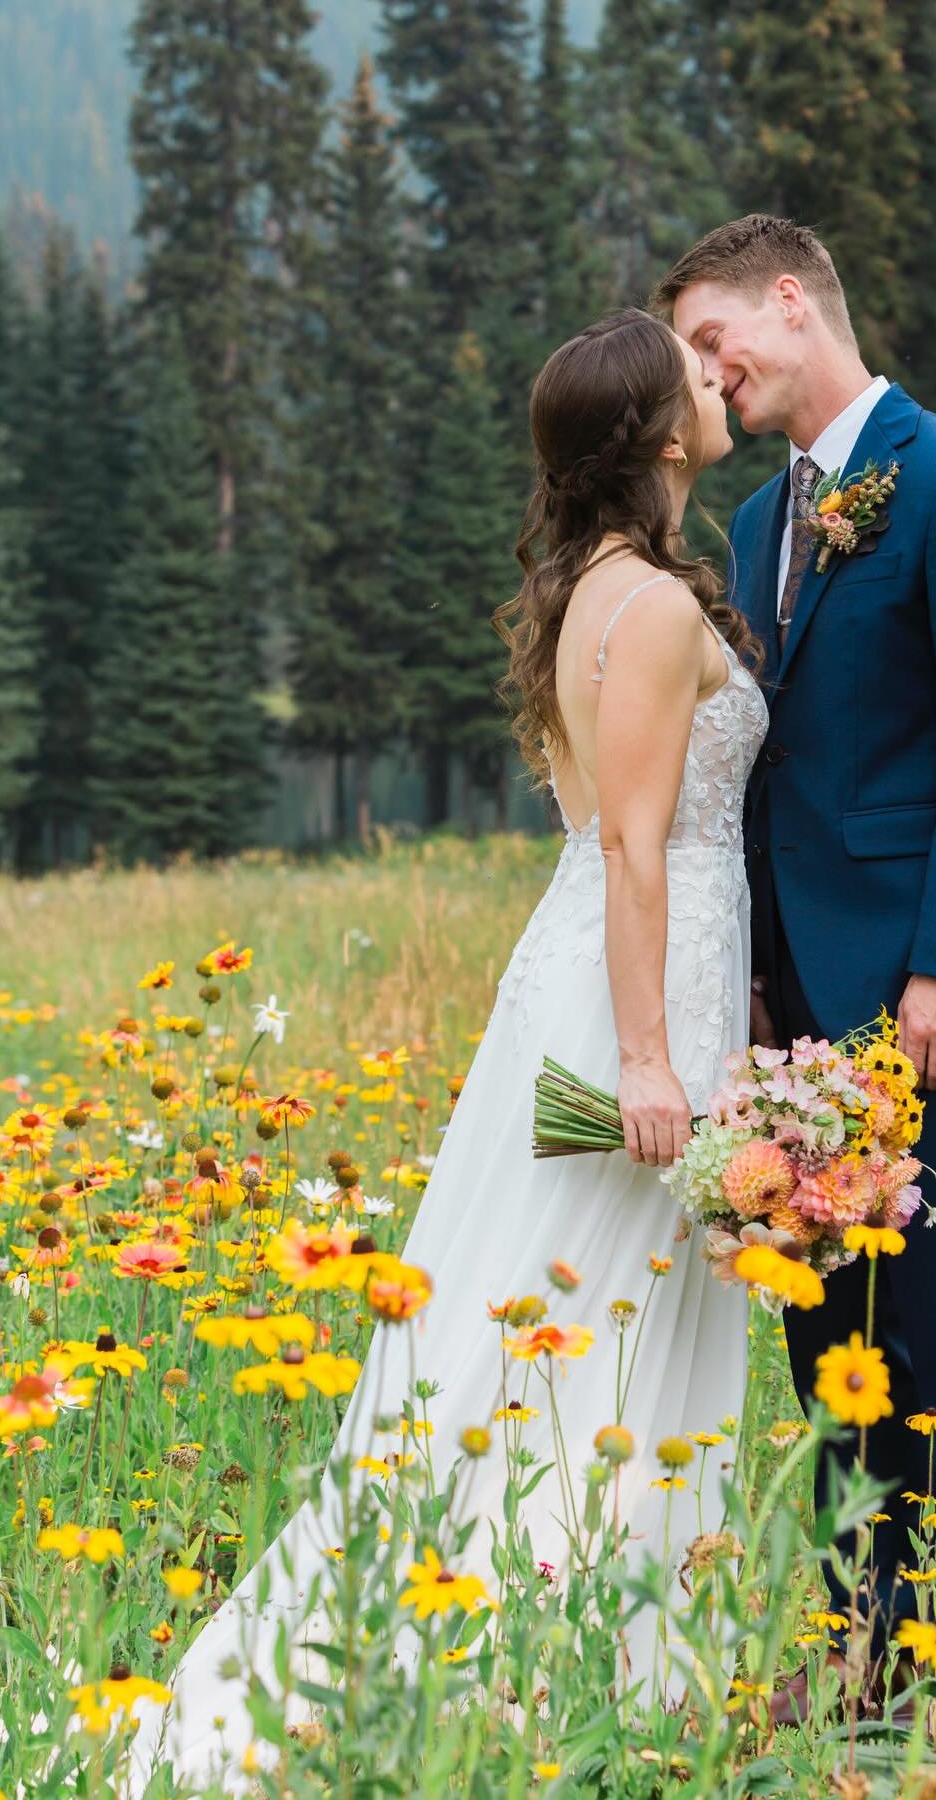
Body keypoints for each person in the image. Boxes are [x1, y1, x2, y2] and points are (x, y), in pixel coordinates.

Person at [127, 308, 768, 1792]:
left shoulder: (596, 589)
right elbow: (629, 846)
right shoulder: (659, 609)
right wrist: (654, 1060)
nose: (716, 380)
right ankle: (544, 1684)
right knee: (575, 1331)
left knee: (566, 1329)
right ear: (664, 436)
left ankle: (585, 1675)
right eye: (694, 377)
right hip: (631, 990)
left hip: (617, 974)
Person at [655, 215, 936, 1718]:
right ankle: (875, 1670)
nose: (710, 374)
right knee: (838, 1356)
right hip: (796, 1025)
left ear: (788, 299)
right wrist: (752, 987)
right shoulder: (763, 528)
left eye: (716, 339)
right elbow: (765, 779)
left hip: (921, 1008)